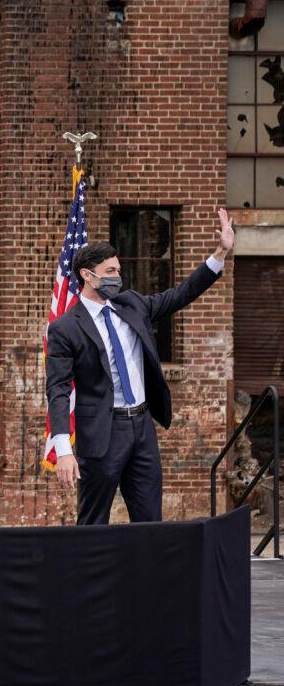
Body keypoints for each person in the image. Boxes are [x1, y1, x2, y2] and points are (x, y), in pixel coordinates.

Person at [46, 208, 235, 524]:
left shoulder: (130, 304)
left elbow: (179, 296)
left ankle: (147, 574)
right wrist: (63, 449)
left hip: (142, 427)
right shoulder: (66, 327)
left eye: (118, 270)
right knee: (93, 522)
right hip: (103, 433)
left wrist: (219, 254)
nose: (116, 277)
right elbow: (58, 390)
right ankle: (90, 574)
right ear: (86, 275)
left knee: (149, 521)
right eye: (109, 271)